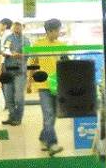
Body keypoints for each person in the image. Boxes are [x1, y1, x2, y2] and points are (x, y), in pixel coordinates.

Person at [32, 18, 65, 156]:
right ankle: (52, 144)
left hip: (57, 85)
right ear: (50, 31)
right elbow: (32, 64)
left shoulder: (62, 45)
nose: (59, 32)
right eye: (57, 30)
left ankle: (43, 136)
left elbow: (66, 65)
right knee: (48, 113)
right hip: (43, 85)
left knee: (53, 114)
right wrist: (30, 82)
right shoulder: (38, 45)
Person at [2, 21, 31, 125]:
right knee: (8, 96)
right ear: (13, 27)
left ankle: (18, 118)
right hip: (8, 70)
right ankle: (12, 116)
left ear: (23, 27)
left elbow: (27, 55)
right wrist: (6, 53)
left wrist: (18, 55)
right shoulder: (8, 38)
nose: (17, 27)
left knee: (19, 97)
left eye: (19, 26)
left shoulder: (26, 40)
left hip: (20, 72)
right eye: (15, 25)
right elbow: (5, 51)